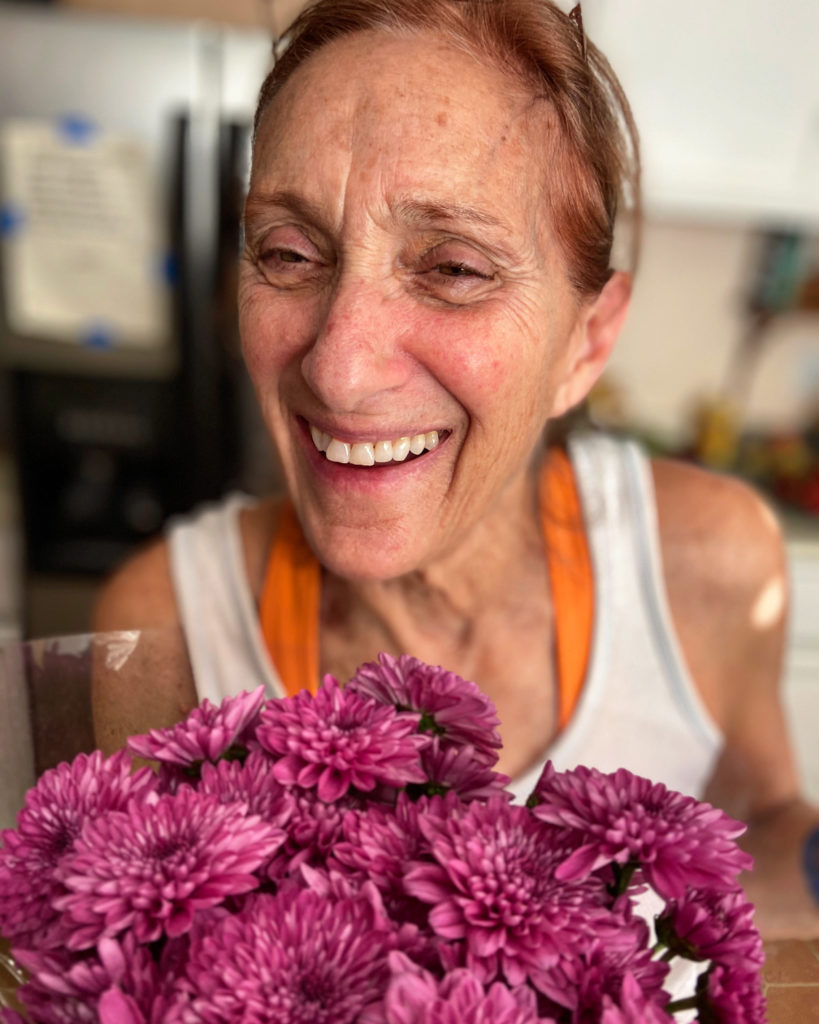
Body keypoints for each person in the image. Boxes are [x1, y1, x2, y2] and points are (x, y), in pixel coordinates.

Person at [92, 0, 819, 940]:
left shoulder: (710, 562)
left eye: (454, 269)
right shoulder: (161, 633)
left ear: (585, 343)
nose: (337, 368)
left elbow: (760, 821)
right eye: (288, 252)